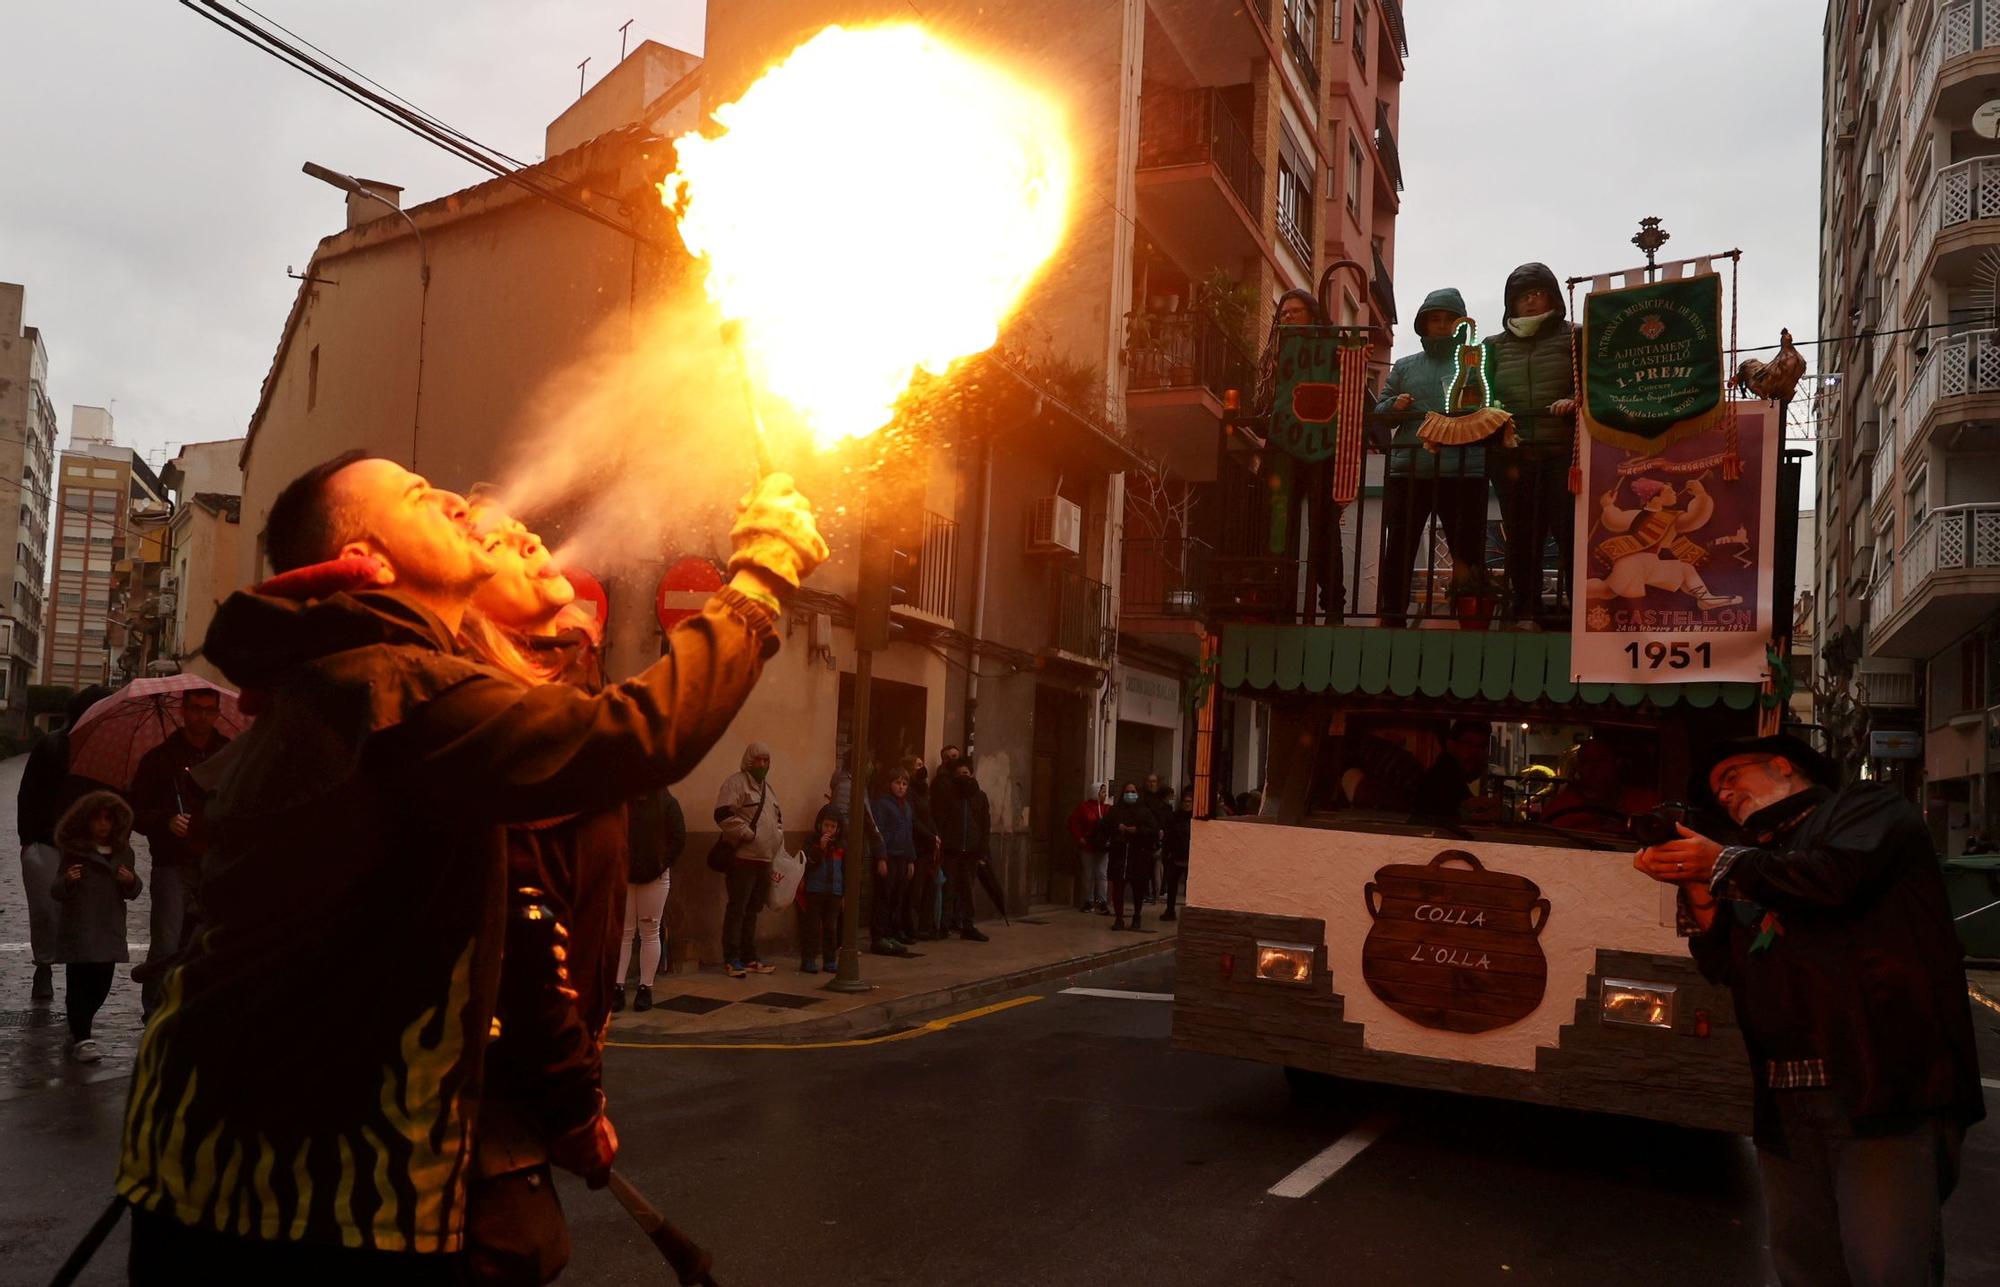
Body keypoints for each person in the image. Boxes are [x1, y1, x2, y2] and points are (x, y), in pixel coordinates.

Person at [116, 452, 824, 1280]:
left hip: (235, 1173)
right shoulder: (388, 689)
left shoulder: (360, 679)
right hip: (297, 1205)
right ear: (364, 563)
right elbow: (636, 738)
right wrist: (760, 578)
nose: (459, 505)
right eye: (422, 497)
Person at [1635, 734, 1985, 1287]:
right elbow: (1729, 963)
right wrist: (1700, 885)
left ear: (1782, 764)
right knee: (1806, 1263)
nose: (1724, 795)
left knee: (1885, 1265)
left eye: (1732, 777)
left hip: (1883, 1086)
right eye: (1716, 792)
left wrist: (1723, 861)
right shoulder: (1759, 860)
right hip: (1787, 1098)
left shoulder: (1866, 808)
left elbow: (1834, 878)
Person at [1373, 287, 1491, 624]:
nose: (1440, 326)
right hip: (1412, 471)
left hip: (1465, 470)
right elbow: (1380, 412)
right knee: (1399, 548)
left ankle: (1472, 617)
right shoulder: (1406, 366)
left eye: (1448, 320)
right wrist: (1393, 406)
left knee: (1467, 550)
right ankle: (1392, 615)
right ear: (1422, 324)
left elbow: (1491, 404)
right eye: (1434, 319)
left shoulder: (1477, 362)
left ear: (1461, 325)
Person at [1484, 262, 1580, 627]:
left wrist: (1575, 400)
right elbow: (1480, 390)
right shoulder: (1493, 345)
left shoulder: (1576, 336)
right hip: (1512, 454)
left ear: (1553, 297)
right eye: (1522, 296)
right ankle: (1524, 608)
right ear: (1510, 303)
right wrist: (1490, 411)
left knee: (1569, 532)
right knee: (1522, 536)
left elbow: (1593, 382)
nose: (1530, 302)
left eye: (1537, 293)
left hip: (1562, 452)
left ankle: (1578, 610)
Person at [128, 686, 231, 1019]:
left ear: (217, 712)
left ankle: (198, 1005)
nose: (202, 716)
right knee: (166, 942)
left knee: (209, 940)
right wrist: (165, 821)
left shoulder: (228, 755)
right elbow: (137, 811)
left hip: (213, 863)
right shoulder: (160, 758)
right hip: (171, 862)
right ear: (184, 711)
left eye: (209, 709)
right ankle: (155, 1011)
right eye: (196, 708)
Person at [15, 684, 112, 1003]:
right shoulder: (51, 745)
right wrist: (28, 841)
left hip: (84, 846)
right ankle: (43, 967)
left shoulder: (103, 752)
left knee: (80, 915)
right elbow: (27, 793)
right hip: (44, 842)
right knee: (45, 911)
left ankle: (76, 978)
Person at [1257, 288, 1347, 620]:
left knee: (1325, 528)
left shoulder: (1333, 351)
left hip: (1322, 447)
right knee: (1278, 525)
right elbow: (1263, 400)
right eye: (1284, 313)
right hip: (1283, 445)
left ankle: (1333, 604)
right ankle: (1276, 601)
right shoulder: (1274, 353)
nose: (1289, 317)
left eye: (1296, 311)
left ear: (1312, 316)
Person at [50, 790, 141, 1064]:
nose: (103, 825)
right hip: (80, 929)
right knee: (78, 984)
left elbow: (133, 891)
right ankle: (82, 1037)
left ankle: (80, 1025)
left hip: (109, 928)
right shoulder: (74, 852)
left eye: (108, 819)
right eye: (97, 819)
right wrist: (67, 879)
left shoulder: (124, 852)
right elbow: (56, 890)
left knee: (101, 985)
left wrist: (130, 881)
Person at [716, 742, 783, 978]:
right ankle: (731, 957)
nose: (763, 765)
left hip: (763, 860)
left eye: (766, 760)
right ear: (749, 761)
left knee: (753, 910)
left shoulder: (769, 789)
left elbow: (777, 819)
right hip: (743, 859)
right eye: (759, 760)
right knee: (738, 908)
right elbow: (723, 814)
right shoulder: (736, 783)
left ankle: (749, 956)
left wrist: (776, 839)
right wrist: (747, 833)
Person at [616, 786, 685, 1011]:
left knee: (649, 931)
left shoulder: (667, 803)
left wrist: (659, 864)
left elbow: (677, 838)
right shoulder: (621, 802)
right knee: (623, 933)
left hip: (654, 877)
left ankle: (645, 987)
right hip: (626, 876)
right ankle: (617, 986)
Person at [1537, 738, 1663, 836]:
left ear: (1616, 764)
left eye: (1601, 760)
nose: (1593, 767)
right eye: (1586, 762)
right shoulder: (1560, 806)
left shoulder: (1645, 802)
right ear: (1578, 768)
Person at [935, 758, 992, 941]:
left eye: (965, 773)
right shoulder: (949, 795)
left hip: (972, 852)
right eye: (958, 774)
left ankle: (968, 925)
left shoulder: (980, 797)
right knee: (949, 889)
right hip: (952, 850)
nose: (962, 777)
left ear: (972, 774)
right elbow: (941, 821)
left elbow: (985, 825)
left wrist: (982, 851)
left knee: (968, 891)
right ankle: (944, 925)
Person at [1096, 781, 1158, 932]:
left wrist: (1138, 831)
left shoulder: (1144, 812)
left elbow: (1153, 831)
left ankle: (1137, 916)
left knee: (1138, 888)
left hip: (1138, 855)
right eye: (1127, 792)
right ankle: (1119, 918)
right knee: (1118, 888)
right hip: (1119, 854)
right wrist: (1117, 829)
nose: (1130, 794)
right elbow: (1103, 828)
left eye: (1133, 791)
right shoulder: (1115, 811)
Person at [871, 768, 922, 946]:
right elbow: (878, 833)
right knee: (884, 896)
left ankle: (893, 931)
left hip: (902, 857)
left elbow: (909, 833)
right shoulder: (881, 804)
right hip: (889, 856)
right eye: (897, 783)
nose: (901, 787)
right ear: (889, 784)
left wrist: (911, 859)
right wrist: (881, 858)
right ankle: (879, 935)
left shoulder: (906, 806)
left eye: (904, 783)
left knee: (897, 897)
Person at [1413, 720, 1500, 822]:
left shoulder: (1452, 777)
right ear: (1451, 745)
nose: (1475, 751)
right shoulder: (1442, 780)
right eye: (1468, 743)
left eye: (1482, 746)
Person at [901, 755, 943, 941]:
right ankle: (911, 926)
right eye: (918, 765)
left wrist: (936, 836)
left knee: (929, 887)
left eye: (922, 764)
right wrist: (930, 835)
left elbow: (929, 817)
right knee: (914, 890)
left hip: (928, 847)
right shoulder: (909, 793)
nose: (922, 767)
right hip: (917, 847)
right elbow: (915, 821)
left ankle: (925, 926)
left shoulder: (923, 791)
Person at [800, 804, 845, 974]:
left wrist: (844, 893)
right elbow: (807, 863)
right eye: (826, 825)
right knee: (812, 927)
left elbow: (845, 869)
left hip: (834, 891)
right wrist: (820, 848)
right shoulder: (812, 841)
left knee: (830, 927)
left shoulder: (841, 845)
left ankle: (830, 960)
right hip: (815, 889)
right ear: (820, 825)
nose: (829, 829)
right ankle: (808, 959)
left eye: (833, 827)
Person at [1067, 783, 1111, 913]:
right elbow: (1072, 823)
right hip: (1088, 846)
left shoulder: (1107, 809)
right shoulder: (1084, 808)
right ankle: (1088, 901)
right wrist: (1079, 837)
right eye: (1102, 792)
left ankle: (1103, 901)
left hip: (1102, 847)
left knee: (1102, 874)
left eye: (1105, 792)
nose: (1105, 795)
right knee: (1088, 874)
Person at [1162, 785, 1194, 921]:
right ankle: (1170, 910)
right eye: (1185, 802)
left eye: (1189, 802)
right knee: (1172, 885)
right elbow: (1169, 835)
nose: (1186, 804)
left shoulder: (1196, 818)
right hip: (1176, 856)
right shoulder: (1175, 817)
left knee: (1190, 888)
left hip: (1190, 857)